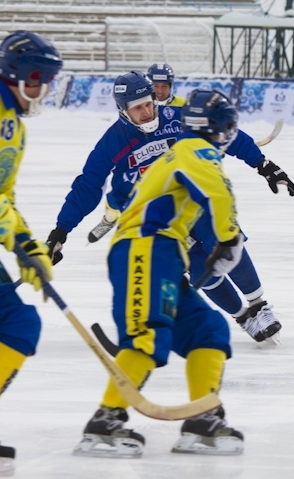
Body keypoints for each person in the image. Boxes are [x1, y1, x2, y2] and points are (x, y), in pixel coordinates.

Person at [46, 70, 294, 342]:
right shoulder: (113, 142)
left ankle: (259, 305)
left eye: (149, 103)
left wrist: (264, 166)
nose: (146, 112)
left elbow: (226, 133)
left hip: (195, 202)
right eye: (137, 108)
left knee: (225, 240)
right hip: (160, 219)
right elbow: (88, 185)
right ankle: (244, 317)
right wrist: (61, 231)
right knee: (201, 268)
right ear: (122, 111)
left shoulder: (178, 119)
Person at [74, 88, 245, 458]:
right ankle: (105, 422)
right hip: (145, 248)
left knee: (207, 331)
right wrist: (230, 240)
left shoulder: (184, 149)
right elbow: (217, 191)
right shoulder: (193, 149)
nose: (229, 134)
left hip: (163, 254)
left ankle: (203, 416)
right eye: (227, 127)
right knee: (147, 335)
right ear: (213, 128)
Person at [0, 30, 61, 475]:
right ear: (24, 75)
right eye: (45, 79)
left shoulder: (15, 130)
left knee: (20, 322)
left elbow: (3, 200)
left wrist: (28, 246)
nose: (48, 89)